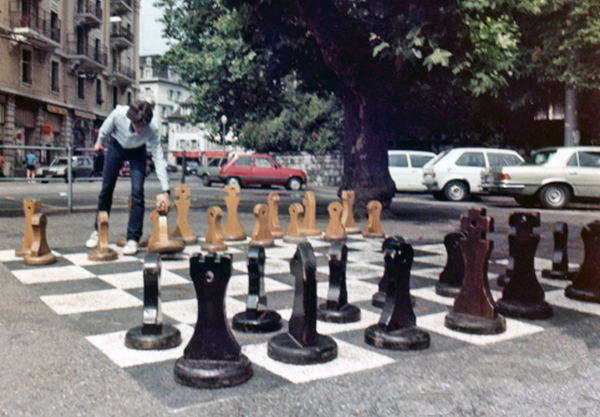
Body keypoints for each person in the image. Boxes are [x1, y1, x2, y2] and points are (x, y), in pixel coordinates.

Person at [85, 100, 170, 255]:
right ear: (131, 119)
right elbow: (105, 128)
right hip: (117, 146)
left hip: (138, 151)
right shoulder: (118, 115)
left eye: (144, 126)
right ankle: (98, 232)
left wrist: (166, 191)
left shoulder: (152, 129)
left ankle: (133, 239)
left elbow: (159, 157)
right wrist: (99, 142)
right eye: (139, 126)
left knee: (138, 192)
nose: (141, 129)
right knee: (106, 188)